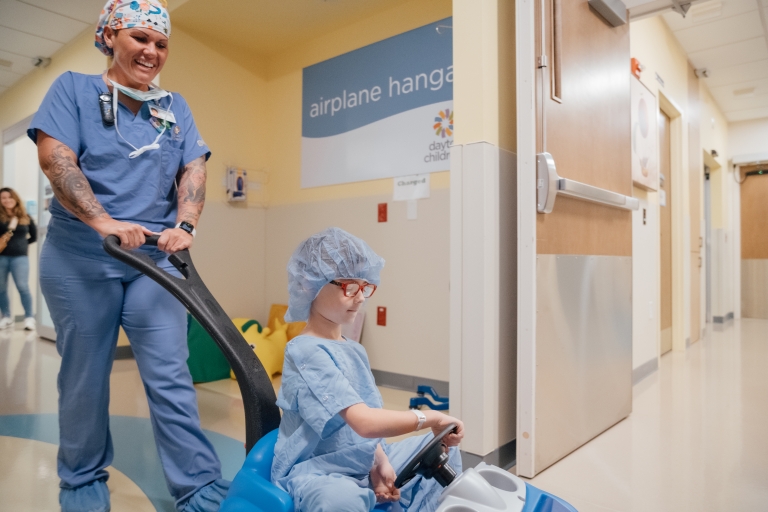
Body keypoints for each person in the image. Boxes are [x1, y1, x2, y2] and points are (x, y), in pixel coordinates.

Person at [27, 1, 228, 511]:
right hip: (79, 257)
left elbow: (194, 170)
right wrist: (105, 223)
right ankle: (81, 479)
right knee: (84, 376)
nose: (151, 51)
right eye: (140, 38)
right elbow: (56, 158)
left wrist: (185, 225)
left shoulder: (173, 106)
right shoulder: (72, 88)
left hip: (153, 262)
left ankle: (198, 483)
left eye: (161, 44)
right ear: (110, 36)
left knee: (170, 373)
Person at [272, 227, 464, 512]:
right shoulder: (305, 351)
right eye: (350, 287)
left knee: (445, 451)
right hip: (320, 470)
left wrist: (380, 463)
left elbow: (362, 433)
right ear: (308, 285)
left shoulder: (354, 350)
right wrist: (429, 416)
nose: (360, 297)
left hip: (361, 458)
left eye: (365, 287)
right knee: (340, 501)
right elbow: (364, 421)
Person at [0, 187, 37, 331]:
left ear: (15, 198)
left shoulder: (25, 217)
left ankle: (29, 318)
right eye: (3, 198)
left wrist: (21, 245)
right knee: (1, 289)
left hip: (20, 258)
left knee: (23, 287)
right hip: (1, 257)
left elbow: (33, 236)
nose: (7, 200)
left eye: (10, 197)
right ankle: (7, 317)